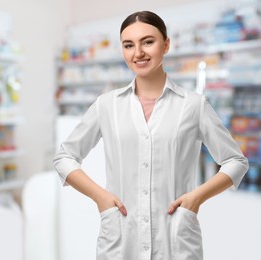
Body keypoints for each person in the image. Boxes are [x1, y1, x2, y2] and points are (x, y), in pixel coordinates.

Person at [53, 10, 249, 260]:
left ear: (166, 44)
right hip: (121, 237)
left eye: (148, 41)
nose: (138, 53)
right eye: (128, 45)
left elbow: (235, 161)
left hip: (175, 238)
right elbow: (64, 157)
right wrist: (100, 197)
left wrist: (197, 197)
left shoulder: (193, 105)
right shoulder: (107, 105)